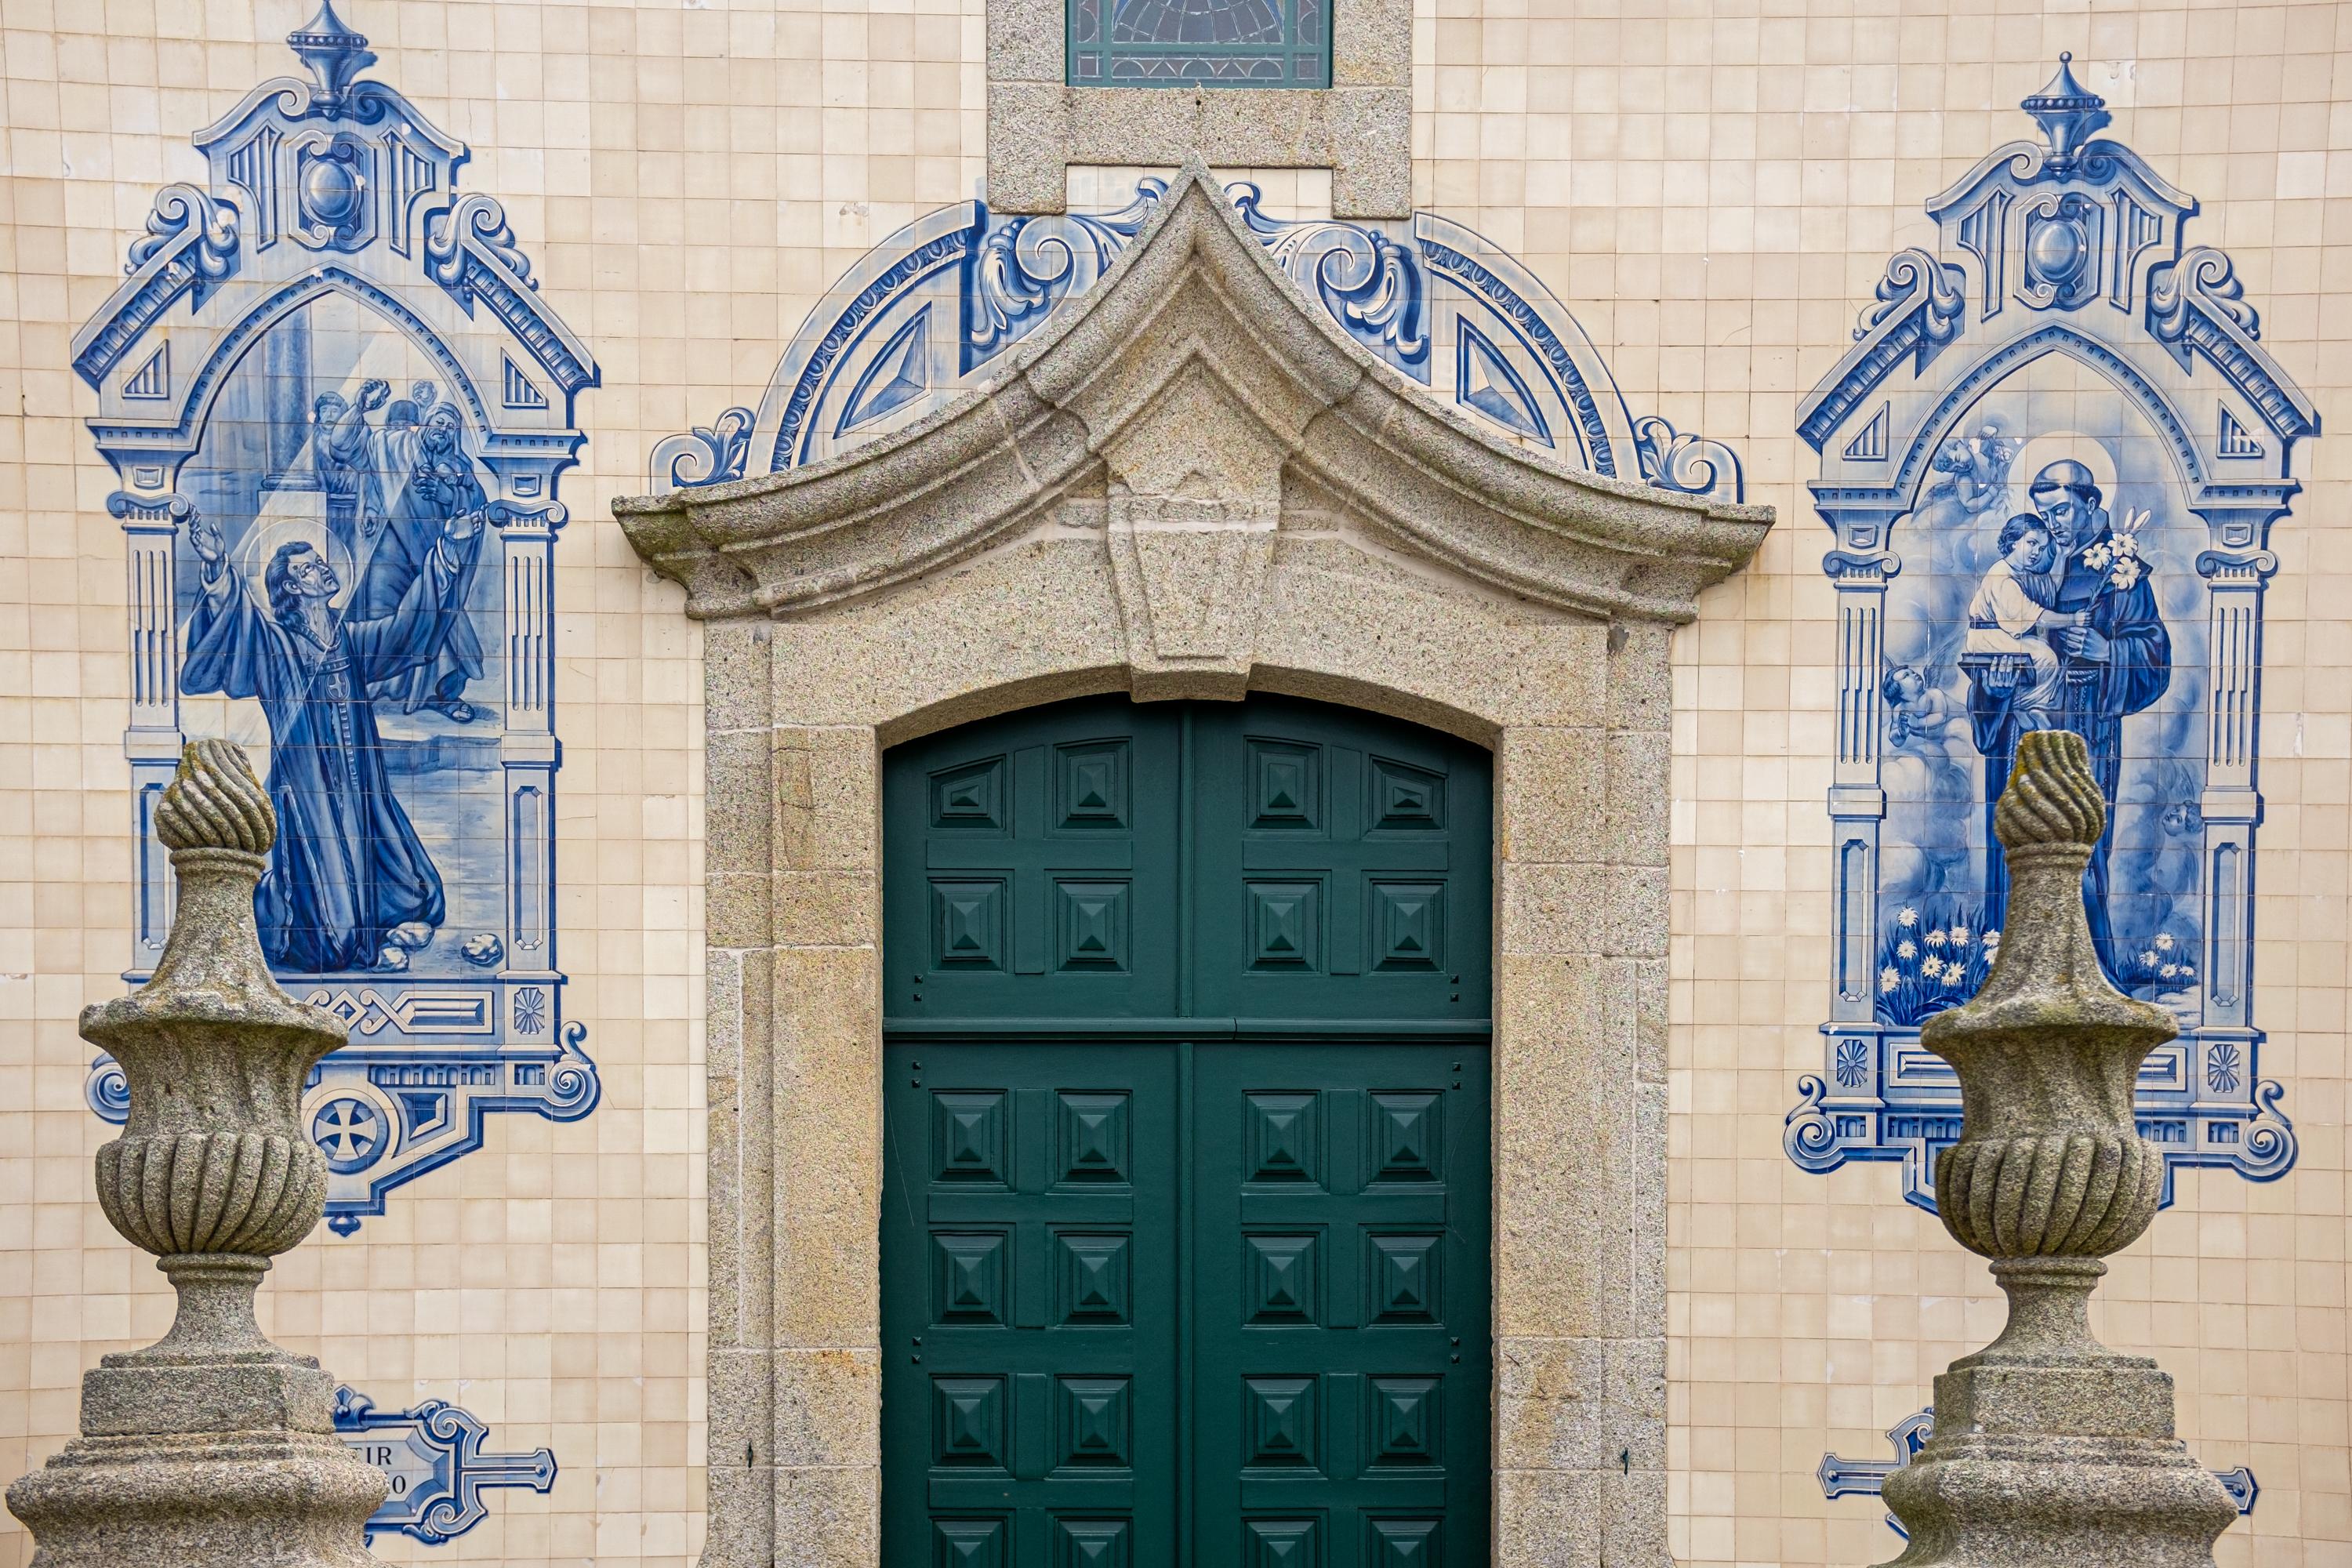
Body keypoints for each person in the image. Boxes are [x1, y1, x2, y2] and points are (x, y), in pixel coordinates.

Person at [179, 503, 482, 972]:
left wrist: (445, 552)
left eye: (320, 562)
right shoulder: (278, 642)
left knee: (408, 886)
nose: (322, 570)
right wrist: (218, 568)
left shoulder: (349, 638)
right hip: (308, 785)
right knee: (331, 937)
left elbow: (406, 631)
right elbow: (238, 629)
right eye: (308, 569)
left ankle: (380, 928)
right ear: (292, 588)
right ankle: (291, 924)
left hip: (361, 780)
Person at [1965, 459, 2170, 976]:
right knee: (2016, 839)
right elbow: (1998, 637)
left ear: (2090, 505)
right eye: (2043, 512)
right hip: (2021, 724)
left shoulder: (2120, 571)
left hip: (2085, 725)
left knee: (2075, 841)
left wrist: (2108, 651)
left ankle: (2088, 972)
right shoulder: (2025, 565)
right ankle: (2009, 972)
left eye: (2060, 510)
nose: (2051, 522)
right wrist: (1994, 686)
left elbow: (2155, 653)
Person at [354, 401, 489, 721]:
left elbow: (477, 501)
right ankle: (380, 684)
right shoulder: (392, 446)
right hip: (392, 545)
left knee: (436, 613)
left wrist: (446, 494)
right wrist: (371, 507)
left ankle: (438, 694)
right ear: (426, 422)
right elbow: (371, 470)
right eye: (439, 421)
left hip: (432, 550)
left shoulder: (457, 464)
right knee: (382, 610)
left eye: (450, 427)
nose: (442, 430)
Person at [1963, 513, 2071, 724]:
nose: (2036, 553)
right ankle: (2025, 706)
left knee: (2039, 649)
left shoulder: (2018, 571)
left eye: (2041, 548)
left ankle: (2033, 707)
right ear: (2013, 541)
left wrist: (2062, 557)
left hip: (1994, 635)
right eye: (2032, 543)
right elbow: (2037, 618)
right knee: (2045, 658)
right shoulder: (2002, 576)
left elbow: (2051, 588)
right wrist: (2074, 619)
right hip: (1986, 637)